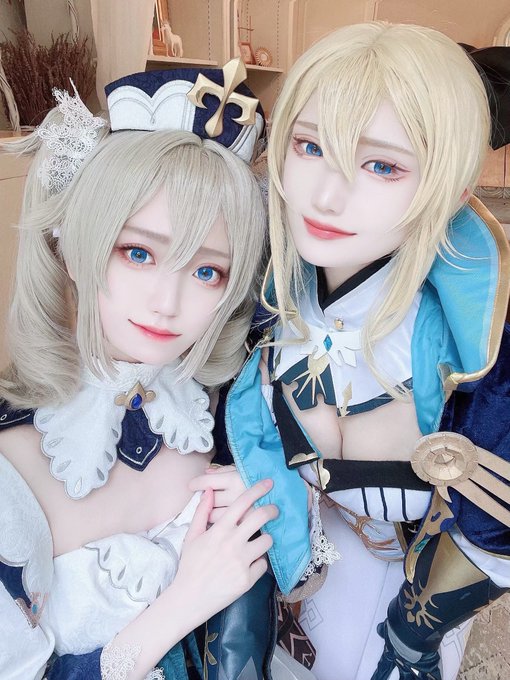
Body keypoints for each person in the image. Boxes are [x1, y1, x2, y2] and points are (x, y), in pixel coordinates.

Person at [194, 22, 510, 680]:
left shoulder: (480, 348)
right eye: (309, 145)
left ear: (449, 190)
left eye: (381, 165)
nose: (327, 196)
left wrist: (412, 638)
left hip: (406, 601)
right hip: (279, 568)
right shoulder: (262, 285)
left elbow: (495, 527)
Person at [0, 62, 275, 680]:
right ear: (72, 245)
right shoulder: (9, 466)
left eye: (207, 271)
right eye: (138, 252)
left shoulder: (217, 410)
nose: (166, 303)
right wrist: (182, 604)